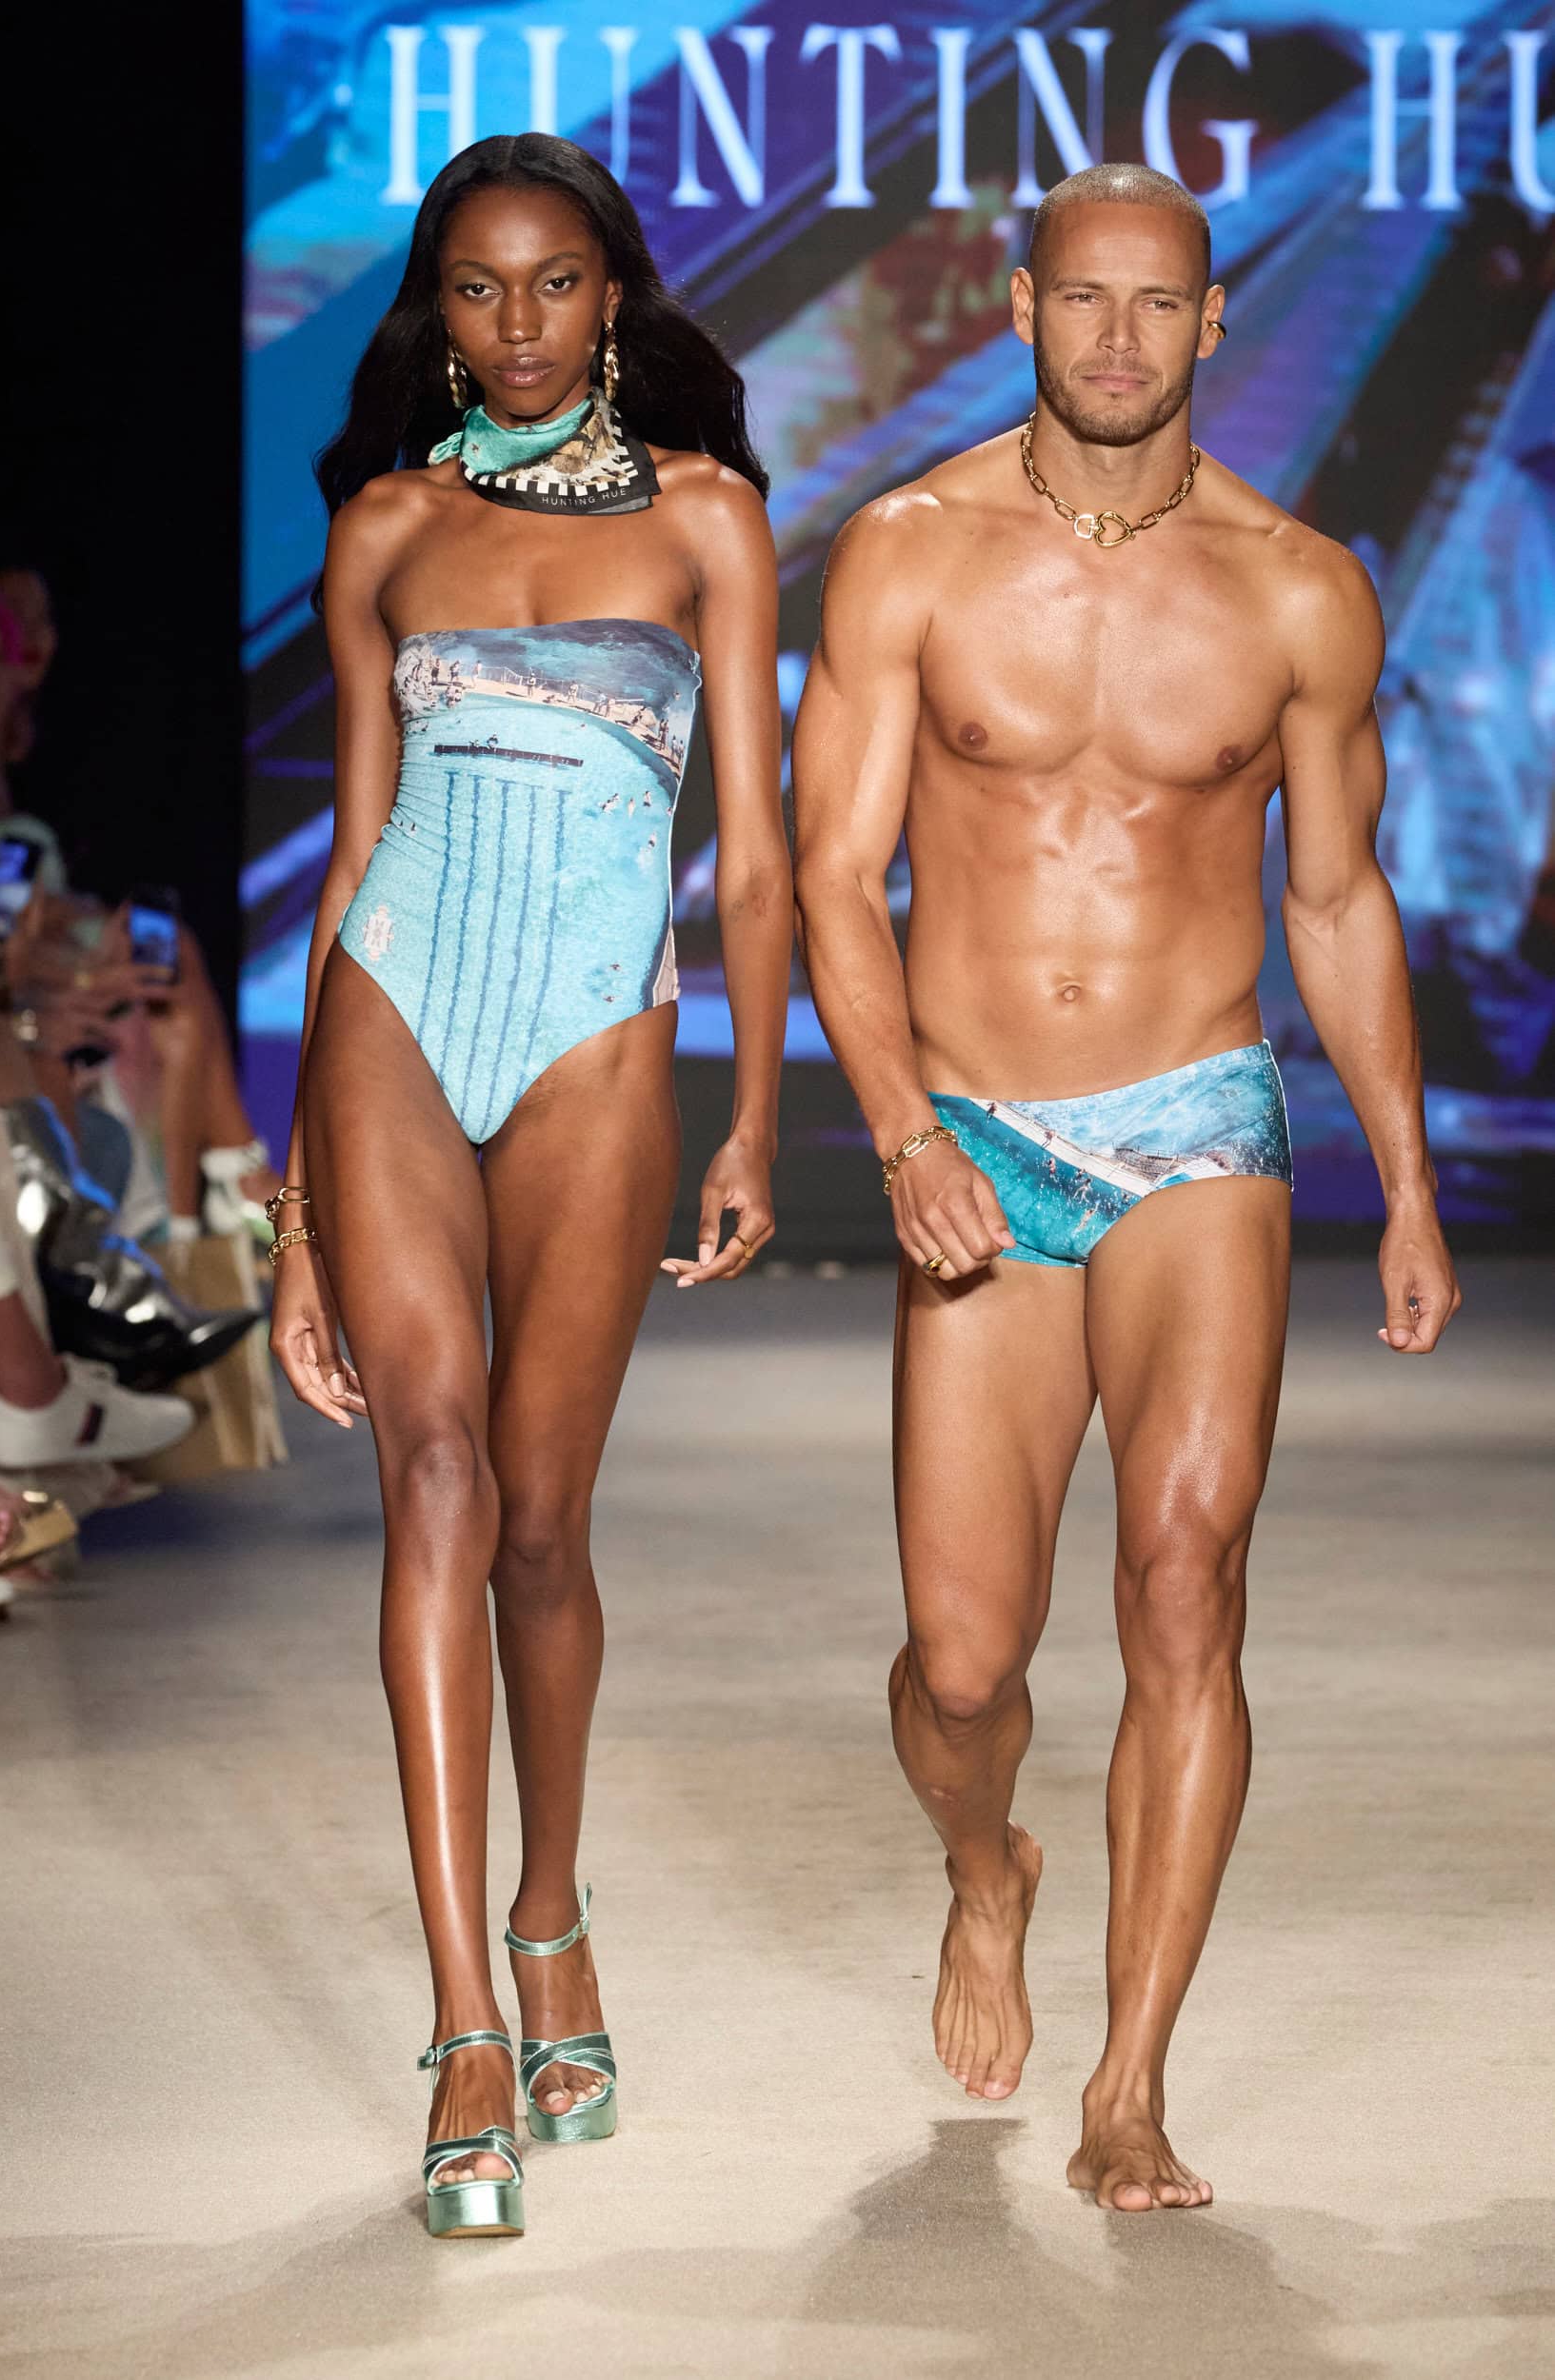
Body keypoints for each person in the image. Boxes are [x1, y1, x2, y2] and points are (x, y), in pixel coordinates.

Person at [792, 161, 1460, 2215]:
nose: (1117, 337)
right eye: (1083, 299)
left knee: (1187, 1574)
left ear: (1211, 323)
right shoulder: (907, 553)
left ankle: (1132, 2084)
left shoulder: (1300, 588)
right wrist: (902, 1129)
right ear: (1019, 307)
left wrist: (1407, 1180)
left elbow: (1334, 900)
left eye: (1158, 304)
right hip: (976, 1129)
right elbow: (834, 876)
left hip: (1199, 1127)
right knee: (963, 1664)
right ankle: (984, 1864)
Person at [270, 132, 789, 2240]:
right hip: (398, 1000)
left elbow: (754, 859)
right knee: (436, 1477)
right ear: (440, 308)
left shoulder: (711, 518)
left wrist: (756, 1114)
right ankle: (467, 2026)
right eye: (477, 289)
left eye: (555, 284)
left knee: (545, 1526)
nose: (516, 324)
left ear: (613, 295)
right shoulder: (385, 525)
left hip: (595, 1031)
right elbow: (348, 858)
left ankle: (551, 1911)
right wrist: (294, 1213)